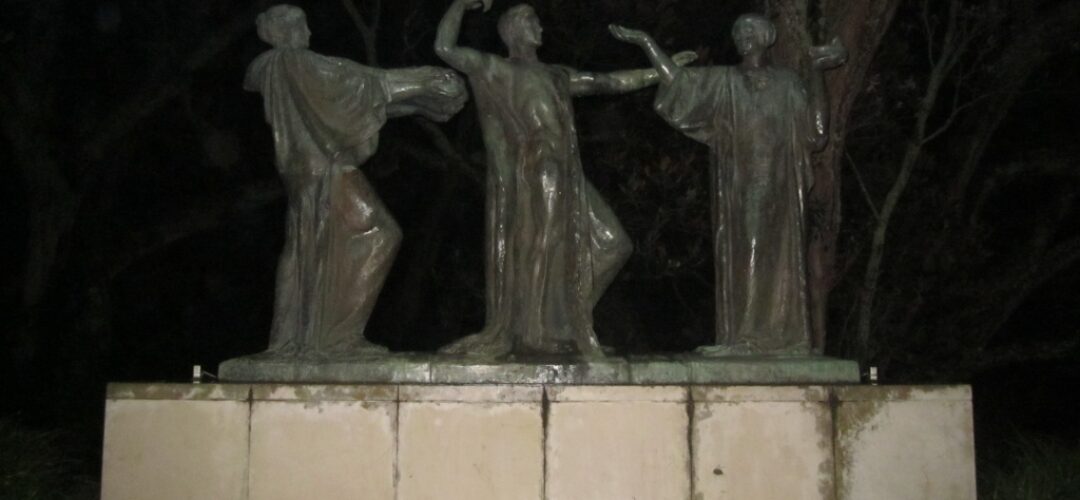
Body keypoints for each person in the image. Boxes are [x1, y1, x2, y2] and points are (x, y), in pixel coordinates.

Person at [434, 0, 695, 357]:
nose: (540, 27)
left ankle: (562, 321)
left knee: (614, 243)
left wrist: (660, 69)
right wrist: (460, 5)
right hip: (539, 162)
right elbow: (445, 48)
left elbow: (608, 82)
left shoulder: (557, 75)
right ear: (513, 30)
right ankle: (533, 331)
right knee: (545, 239)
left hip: (566, 167)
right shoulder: (497, 68)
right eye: (532, 21)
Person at [611, 14, 845, 354]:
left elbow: (816, 133)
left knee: (781, 257)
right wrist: (647, 43)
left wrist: (816, 72)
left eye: (750, 29)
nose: (742, 35)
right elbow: (678, 82)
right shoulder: (725, 81)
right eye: (737, 31)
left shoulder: (788, 83)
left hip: (781, 184)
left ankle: (781, 339)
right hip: (741, 184)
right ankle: (742, 337)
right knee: (746, 249)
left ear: (767, 36)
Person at [245, 4, 467, 356]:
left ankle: (296, 338)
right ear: (283, 31)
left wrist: (419, 103)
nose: (309, 33)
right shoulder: (292, 63)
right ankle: (339, 337)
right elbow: (359, 84)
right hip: (327, 168)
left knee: (306, 249)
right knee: (382, 234)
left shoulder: (279, 72)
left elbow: (362, 98)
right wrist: (425, 79)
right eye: (302, 26)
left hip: (306, 173)